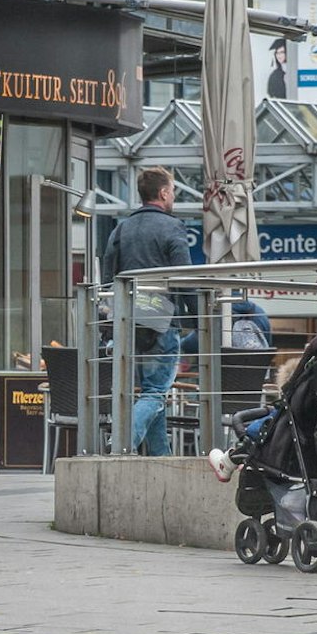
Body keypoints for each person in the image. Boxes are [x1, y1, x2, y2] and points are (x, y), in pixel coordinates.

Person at [100, 166, 192, 456]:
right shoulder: (172, 227)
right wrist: (195, 319)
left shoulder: (121, 228)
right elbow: (186, 278)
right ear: (164, 193)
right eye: (173, 191)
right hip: (161, 320)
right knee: (155, 392)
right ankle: (122, 444)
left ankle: (160, 457)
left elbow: (107, 278)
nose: (173, 196)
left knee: (151, 393)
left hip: (126, 321)